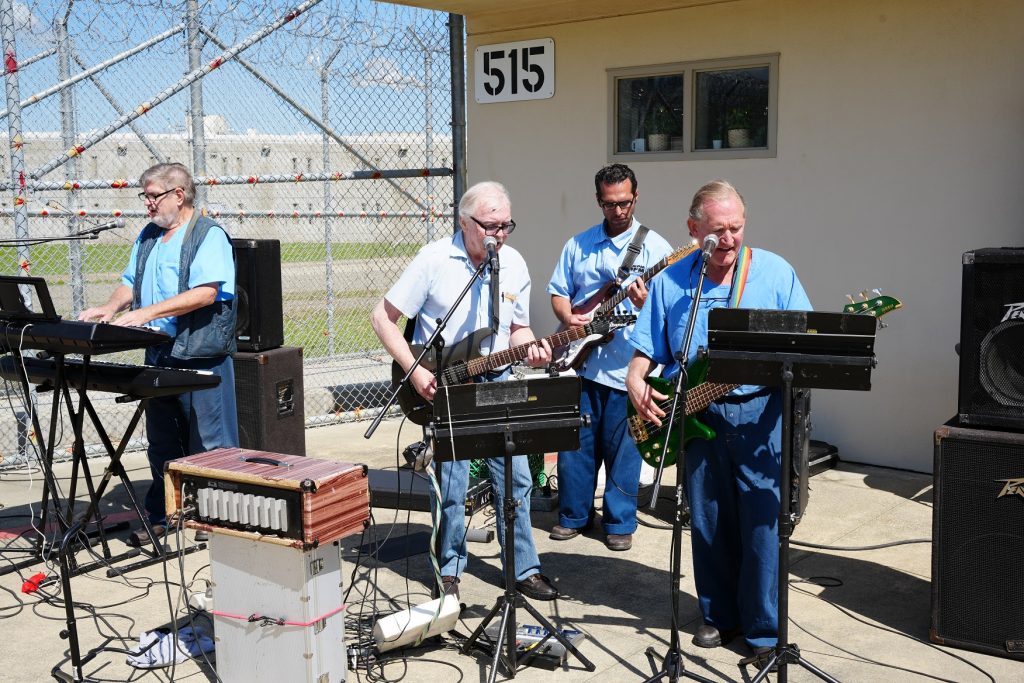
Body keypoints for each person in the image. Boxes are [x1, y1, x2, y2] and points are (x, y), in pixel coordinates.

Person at [625, 180, 811, 664]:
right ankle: (717, 614)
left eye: (736, 228)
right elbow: (646, 350)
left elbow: (807, 341)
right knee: (706, 519)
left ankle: (764, 630)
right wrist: (635, 380)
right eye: (717, 230)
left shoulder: (774, 272)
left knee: (761, 525)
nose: (728, 239)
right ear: (693, 230)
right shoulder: (671, 281)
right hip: (694, 413)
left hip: (758, 414)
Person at [370, 181, 557, 601]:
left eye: (506, 226)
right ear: (464, 222)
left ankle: (523, 568)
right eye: (490, 226)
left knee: (516, 478)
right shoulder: (435, 259)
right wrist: (415, 372)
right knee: (452, 484)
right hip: (446, 384)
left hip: (498, 379)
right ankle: (448, 568)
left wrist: (534, 348)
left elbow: (517, 329)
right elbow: (382, 317)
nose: (500, 235)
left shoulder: (515, 264)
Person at [79, 162, 238, 545]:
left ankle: (214, 520)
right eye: (145, 197)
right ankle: (165, 513)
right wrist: (112, 308)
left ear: (178, 195)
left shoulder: (208, 235)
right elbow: (130, 282)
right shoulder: (149, 235)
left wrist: (147, 313)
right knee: (163, 442)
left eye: (154, 196)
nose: (147, 204)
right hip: (159, 354)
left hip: (201, 357)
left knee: (211, 445)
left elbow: (207, 292)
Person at [546, 164, 672, 551]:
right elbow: (558, 292)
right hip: (584, 365)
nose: (618, 211)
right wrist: (571, 319)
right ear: (598, 200)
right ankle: (573, 515)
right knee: (577, 448)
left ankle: (620, 522)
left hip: (630, 369)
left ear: (636, 197)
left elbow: (670, 308)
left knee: (625, 450)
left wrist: (646, 301)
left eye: (625, 203)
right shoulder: (578, 244)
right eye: (609, 204)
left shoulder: (658, 250)